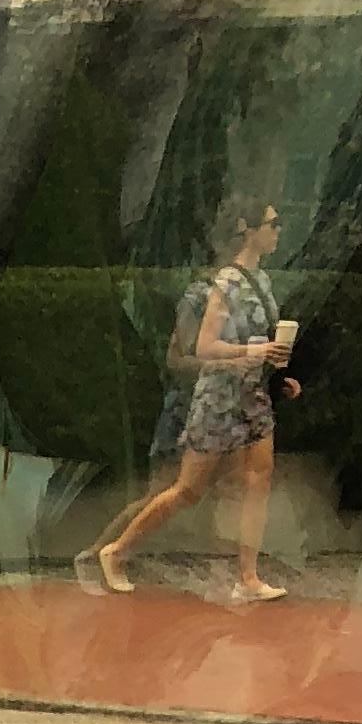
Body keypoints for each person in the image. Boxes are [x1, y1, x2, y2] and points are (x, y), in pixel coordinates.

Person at [83, 200, 299, 606]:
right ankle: (115, 552)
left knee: (259, 481)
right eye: (272, 223)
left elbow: (258, 343)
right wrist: (255, 355)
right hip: (219, 398)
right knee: (187, 490)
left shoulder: (263, 281)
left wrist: (276, 373)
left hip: (252, 396)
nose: (278, 231)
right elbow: (205, 346)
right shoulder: (225, 284)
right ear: (248, 229)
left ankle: (248, 577)